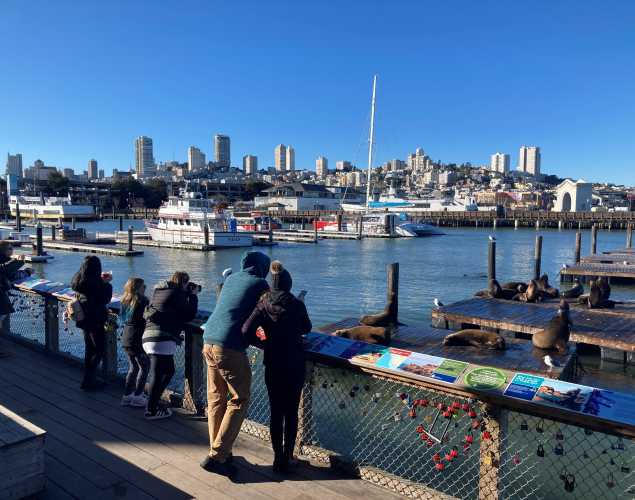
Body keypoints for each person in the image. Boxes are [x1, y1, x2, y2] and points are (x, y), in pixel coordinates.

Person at [200, 251, 270, 477]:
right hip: (229, 347)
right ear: (262, 268)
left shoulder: (231, 279)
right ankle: (218, 455)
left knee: (216, 398)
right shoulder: (260, 283)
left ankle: (218, 450)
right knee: (240, 398)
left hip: (208, 340)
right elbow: (266, 313)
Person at [242, 261, 312, 473]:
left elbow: (246, 330)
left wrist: (264, 343)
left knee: (276, 412)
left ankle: (277, 458)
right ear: (289, 283)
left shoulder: (262, 304)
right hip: (295, 363)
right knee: (291, 412)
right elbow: (306, 327)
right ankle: (289, 456)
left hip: (273, 362)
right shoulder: (296, 304)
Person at [143, 271, 198, 420]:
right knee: (160, 373)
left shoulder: (159, 291)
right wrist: (192, 295)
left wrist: (186, 293)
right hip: (162, 338)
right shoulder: (177, 293)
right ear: (184, 282)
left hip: (148, 336)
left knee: (165, 371)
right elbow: (189, 314)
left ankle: (152, 402)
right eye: (187, 283)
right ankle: (151, 409)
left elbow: (170, 309)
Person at [70, 256, 113, 391]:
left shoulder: (79, 280)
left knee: (90, 349)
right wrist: (107, 283)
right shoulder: (98, 284)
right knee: (100, 350)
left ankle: (89, 379)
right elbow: (105, 299)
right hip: (96, 320)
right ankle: (88, 380)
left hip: (84, 319)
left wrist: (101, 281)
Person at [120, 277, 150, 407]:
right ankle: (138, 396)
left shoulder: (124, 300)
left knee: (133, 367)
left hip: (126, 337)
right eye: (144, 286)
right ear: (138, 288)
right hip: (137, 338)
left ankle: (127, 395)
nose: (145, 288)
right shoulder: (142, 301)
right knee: (144, 367)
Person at [0, 242, 30, 333]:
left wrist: (27, 272)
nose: (12, 250)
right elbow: (6, 270)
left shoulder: (5, 261)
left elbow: (11, 275)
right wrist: (19, 261)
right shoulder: (4, 261)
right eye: (9, 248)